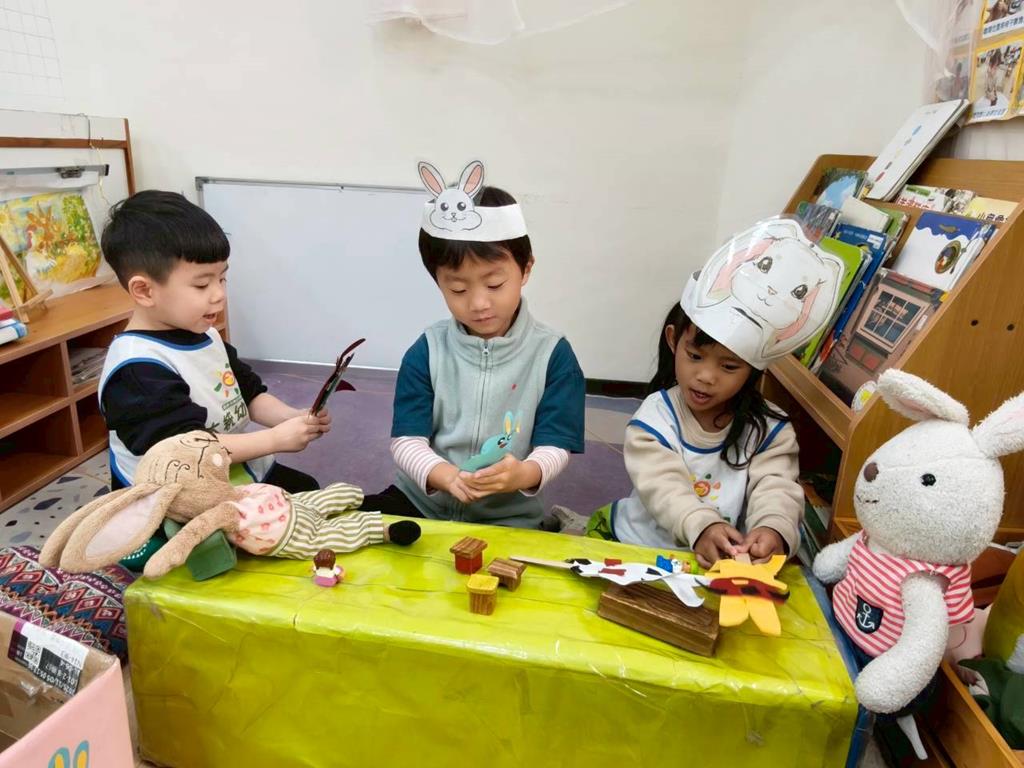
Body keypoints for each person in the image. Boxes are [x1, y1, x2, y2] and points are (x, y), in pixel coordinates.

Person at [587, 218, 846, 568]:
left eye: (729, 366)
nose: (706, 377)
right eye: (695, 356)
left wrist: (773, 528)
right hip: (642, 548)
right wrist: (702, 525)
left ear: (753, 369)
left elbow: (777, 487)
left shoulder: (771, 430)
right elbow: (662, 485)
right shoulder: (655, 417)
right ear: (673, 341)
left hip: (724, 561)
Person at [362, 161, 585, 528]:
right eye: (458, 289)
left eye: (494, 284)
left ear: (526, 269)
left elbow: (555, 446)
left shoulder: (553, 356)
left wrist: (524, 474)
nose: (479, 303)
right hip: (421, 502)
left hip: (509, 514)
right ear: (438, 282)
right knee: (361, 532)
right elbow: (406, 440)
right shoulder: (428, 351)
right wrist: (443, 475)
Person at [98, 190, 328, 493]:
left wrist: (290, 417)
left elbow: (248, 393)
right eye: (202, 284)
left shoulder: (204, 333)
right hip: (176, 496)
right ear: (144, 291)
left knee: (307, 489)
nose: (219, 294)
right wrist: (274, 440)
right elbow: (186, 452)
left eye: (222, 279)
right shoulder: (135, 372)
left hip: (230, 467)